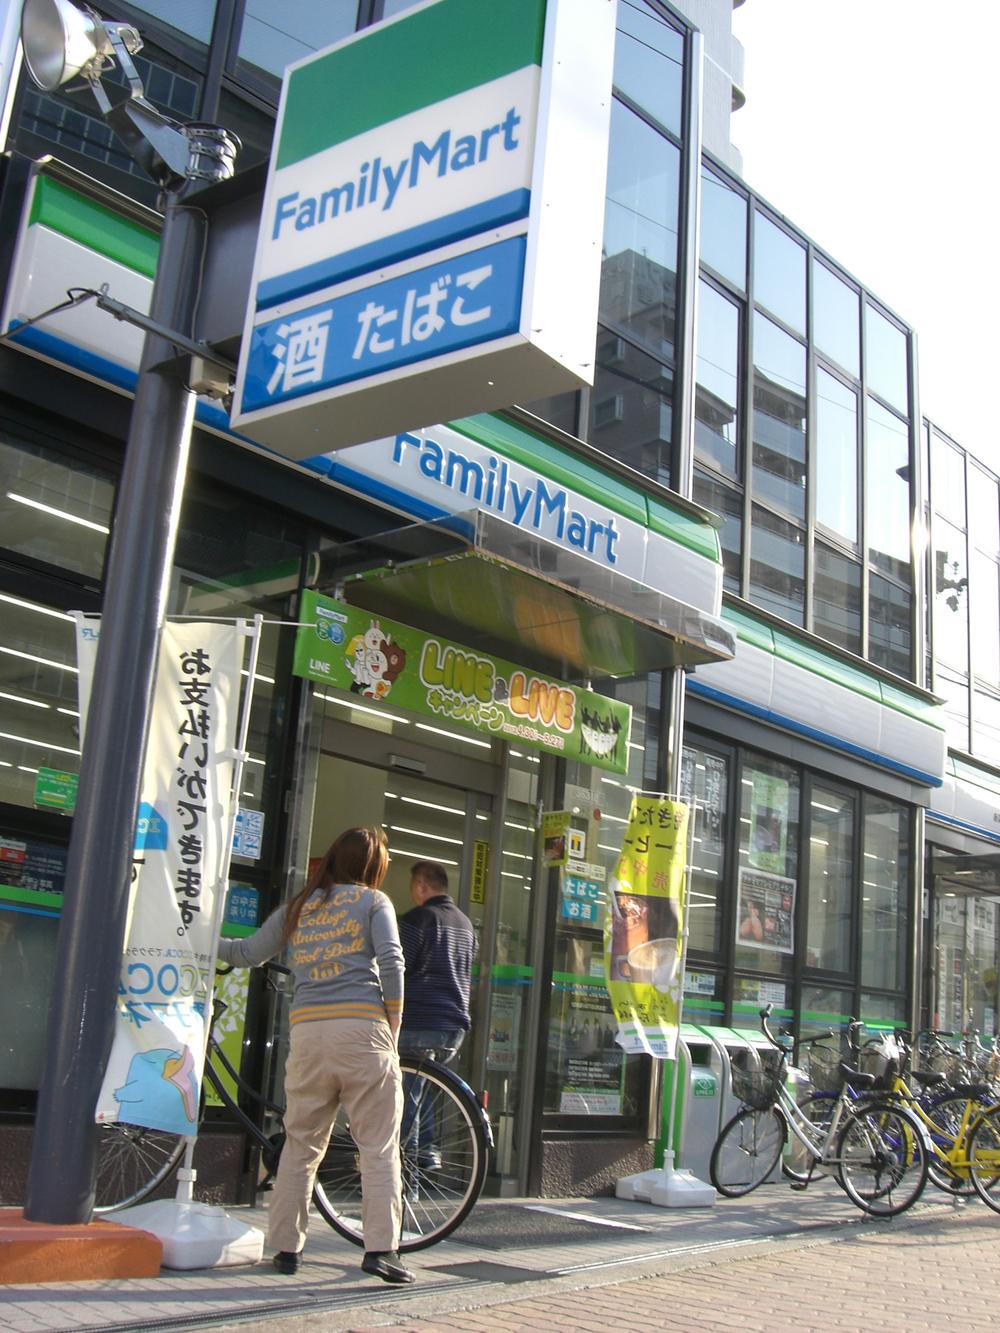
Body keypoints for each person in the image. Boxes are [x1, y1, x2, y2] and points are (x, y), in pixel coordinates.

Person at [216, 826, 414, 1285]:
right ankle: (381, 1251)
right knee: (378, 1147)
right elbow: (392, 961)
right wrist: (393, 1024)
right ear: (373, 868)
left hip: (307, 1034)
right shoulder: (373, 902)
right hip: (364, 1031)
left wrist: (195, 939)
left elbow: (246, 953)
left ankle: (285, 1250)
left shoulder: (298, 906)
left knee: (301, 1144)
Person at [397, 861, 476, 1171]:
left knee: (405, 1098)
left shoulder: (419, 918)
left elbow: (397, 967)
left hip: (419, 1022)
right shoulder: (466, 925)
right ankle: (427, 1154)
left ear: (421, 886)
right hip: (452, 1028)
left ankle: (405, 1177)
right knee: (420, 1089)